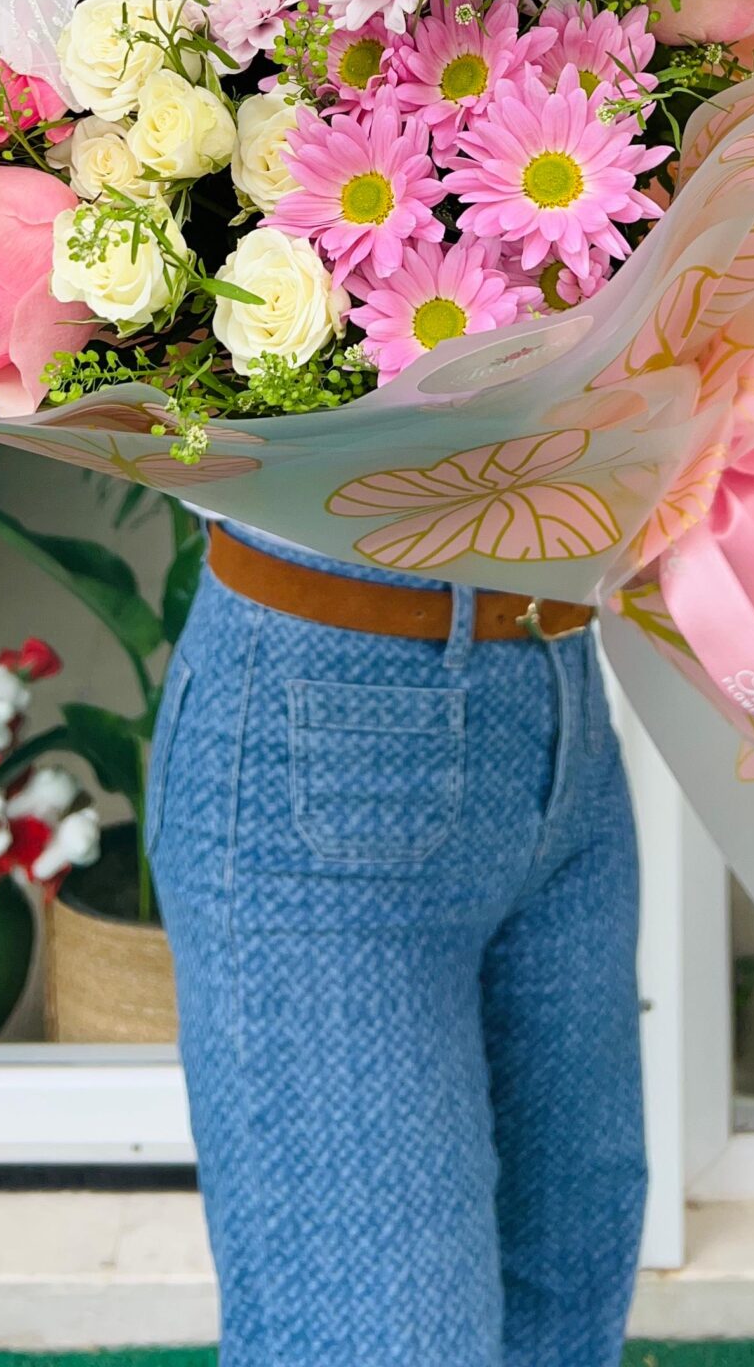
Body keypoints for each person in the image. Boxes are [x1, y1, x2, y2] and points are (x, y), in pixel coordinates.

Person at [147, 520, 647, 1367]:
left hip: (560, 692)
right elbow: (177, 444)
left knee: (565, 1298)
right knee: (380, 1336)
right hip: (326, 696)